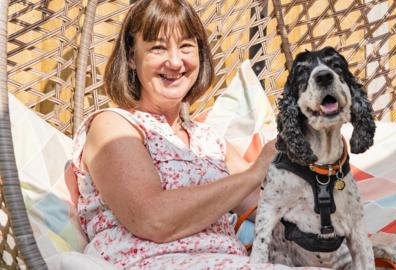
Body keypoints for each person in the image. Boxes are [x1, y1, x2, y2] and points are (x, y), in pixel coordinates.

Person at [69, 0, 325, 269]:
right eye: (158, 47)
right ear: (132, 57)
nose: (175, 61)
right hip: (148, 262)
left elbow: (272, 211)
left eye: (186, 46)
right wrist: (255, 171)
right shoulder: (114, 126)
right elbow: (152, 219)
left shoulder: (210, 141)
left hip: (228, 261)